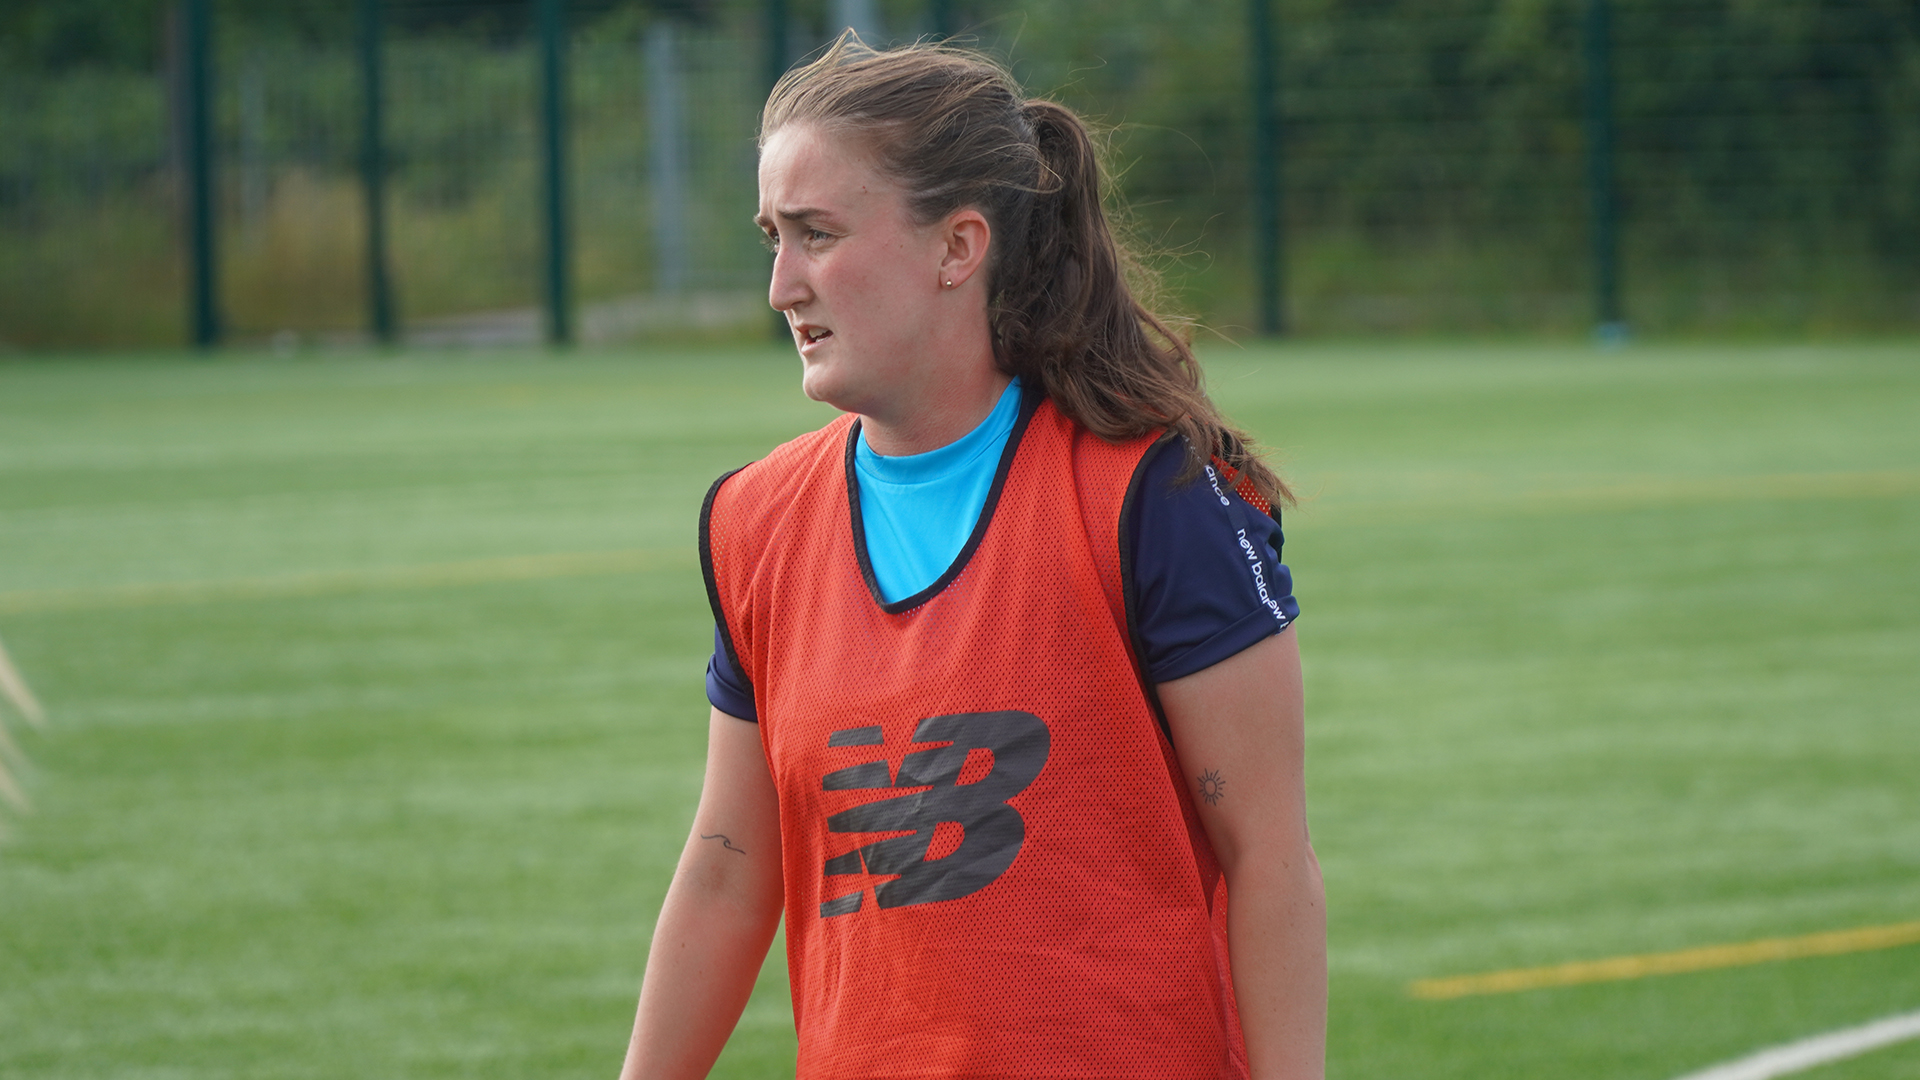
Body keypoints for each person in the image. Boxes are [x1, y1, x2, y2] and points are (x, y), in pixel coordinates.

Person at [618, 34, 1324, 1080]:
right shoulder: (754, 521)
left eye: (816, 234)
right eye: (772, 235)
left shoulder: (1151, 497)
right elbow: (730, 872)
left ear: (959, 248)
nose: (780, 285)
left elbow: (1267, 859)